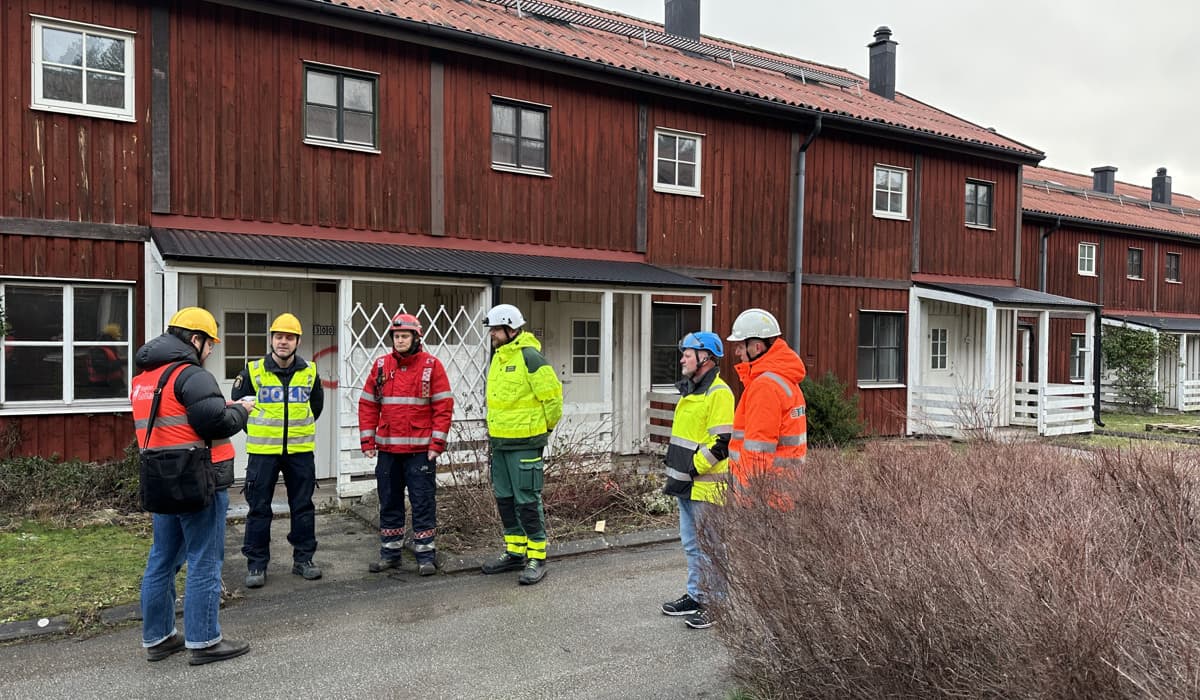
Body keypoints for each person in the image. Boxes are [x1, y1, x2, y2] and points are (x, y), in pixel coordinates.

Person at [131, 306, 253, 665]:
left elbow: (179, 421)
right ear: (194, 340)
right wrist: (241, 410)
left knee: (162, 558)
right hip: (199, 481)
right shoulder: (192, 375)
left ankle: (159, 638)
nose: (211, 350)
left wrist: (220, 406)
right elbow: (215, 424)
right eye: (210, 343)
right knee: (204, 559)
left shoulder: (145, 378)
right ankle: (204, 641)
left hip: (160, 480)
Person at [233, 313, 325, 589]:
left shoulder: (310, 371)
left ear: (297, 341)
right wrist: (262, 432)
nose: (283, 342)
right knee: (259, 509)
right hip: (263, 453)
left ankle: (304, 560)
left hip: (300, 451)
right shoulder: (253, 371)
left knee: (303, 506)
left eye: (289, 337)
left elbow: (315, 408)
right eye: (278, 336)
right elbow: (239, 409)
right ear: (271, 339)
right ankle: (257, 564)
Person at [358, 313, 454, 576]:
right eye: (396, 336)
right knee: (388, 501)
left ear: (416, 337)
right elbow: (368, 404)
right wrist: (367, 440)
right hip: (388, 451)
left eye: (404, 336)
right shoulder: (380, 366)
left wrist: (437, 444)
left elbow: (443, 407)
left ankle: (425, 556)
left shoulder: (432, 366)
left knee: (423, 502)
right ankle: (390, 554)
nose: (399, 340)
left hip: (421, 452)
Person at [479, 303, 562, 585]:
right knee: (504, 499)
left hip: (525, 443)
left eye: (495, 329)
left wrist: (544, 429)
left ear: (510, 329)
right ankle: (515, 552)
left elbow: (553, 400)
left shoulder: (531, 357)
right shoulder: (500, 358)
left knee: (527, 500)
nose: (491, 333)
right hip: (501, 443)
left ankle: (536, 556)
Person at [659, 332, 734, 630]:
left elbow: (722, 442)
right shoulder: (691, 391)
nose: (682, 359)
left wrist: (693, 467)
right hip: (686, 483)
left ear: (705, 357)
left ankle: (716, 602)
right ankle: (696, 594)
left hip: (706, 484)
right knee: (692, 545)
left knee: (711, 545)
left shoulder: (719, 393)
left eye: (687, 354)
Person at [725, 308, 808, 506]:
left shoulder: (765, 386)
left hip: (763, 498)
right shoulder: (783, 379)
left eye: (740, 346)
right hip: (782, 490)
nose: (737, 352)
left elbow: (758, 450)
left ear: (757, 348)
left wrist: (745, 499)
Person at [86, 323, 126, 395]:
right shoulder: (99, 350)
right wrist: (121, 362)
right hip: (102, 387)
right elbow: (100, 367)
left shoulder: (107, 348)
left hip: (112, 385)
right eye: (117, 336)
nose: (119, 339)